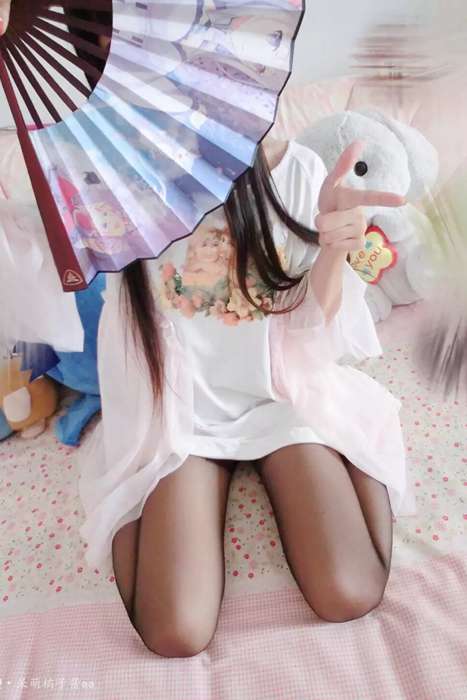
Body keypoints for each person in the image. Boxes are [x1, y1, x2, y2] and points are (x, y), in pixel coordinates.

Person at [1, 2, 416, 658]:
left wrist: (335, 250)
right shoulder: (104, 186)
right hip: (181, 412)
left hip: (280, 399)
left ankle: (351, 455)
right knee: (175, 631)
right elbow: (33, 283)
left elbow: (320, 329)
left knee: (349, 591)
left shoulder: (297, 172)